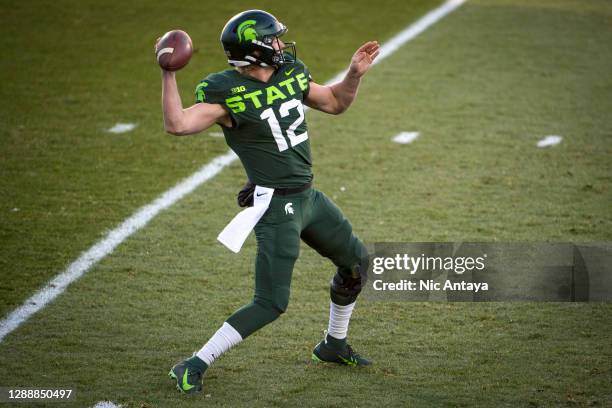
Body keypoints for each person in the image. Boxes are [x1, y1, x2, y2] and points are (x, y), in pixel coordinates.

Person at [159, 9, 380, 394]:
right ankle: (193, 364)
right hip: (277, 209)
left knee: (357, 265)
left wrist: (354, 76)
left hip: (309, 197)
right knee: (271, 303)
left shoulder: (290, 71)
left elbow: (333, 102)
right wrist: (168, 73)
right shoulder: (224, 91)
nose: (281, 44)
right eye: (273, 39)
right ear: (256, 50)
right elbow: (178, 124)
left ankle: (333, 345)